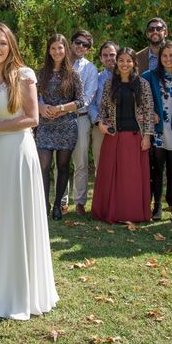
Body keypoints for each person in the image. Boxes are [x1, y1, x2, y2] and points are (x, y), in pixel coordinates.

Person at [0, 23, 58, 320]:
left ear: (11, 46)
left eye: (2, 43)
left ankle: (18, 292)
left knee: (15, 218)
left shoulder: (24, 75)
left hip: (17, 155)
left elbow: (32, 119)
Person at [92, 47, 153, 224]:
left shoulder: (142, 84)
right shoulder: (109, 84)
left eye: (128, 60)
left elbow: (149, 111)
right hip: (114, 136)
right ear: (117, 62)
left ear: (134, 63)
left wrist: (147, 135)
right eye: (121, 60)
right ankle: (112, 211)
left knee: (131, 178)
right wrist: (102, 124)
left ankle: (132, 213)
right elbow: (102, 108)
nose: (125, 64)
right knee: (112, 176)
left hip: (135, 137)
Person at [142, 41, 172, 223]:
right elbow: (140, 99)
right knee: (156, 170)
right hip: (158, 130)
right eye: (165, 55)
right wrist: (151, 112)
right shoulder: (149, 76)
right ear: (159, 58)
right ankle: (156, 208)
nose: (169, 59)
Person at [36, 34, 84, 220]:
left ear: (66, 50)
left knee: (63, 166)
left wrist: (62, 108)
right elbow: (33, 96)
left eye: (60, 48)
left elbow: (80, 101)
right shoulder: (41, 73)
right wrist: (41, 108)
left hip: (66, 125)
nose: (57, 51)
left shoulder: (73, 75)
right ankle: (44, 204)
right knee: (44, 165)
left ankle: (58, 205)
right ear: (49, 51)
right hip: (46, 125)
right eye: (53, 48)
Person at [66, 30, 98, 216]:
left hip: (81, 119)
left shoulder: (90, 69)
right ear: (71, 42)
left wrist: (62, 107)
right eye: (78, 42)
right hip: (58, 120)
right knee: (60, 161)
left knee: (81, 162)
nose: (81, 47)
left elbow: (87, 98)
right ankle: (60, 201)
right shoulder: (59, 64)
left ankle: (79, 202)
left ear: (89, 49)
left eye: (85, 45)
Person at [88, 41, 119, 170]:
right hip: (101, 126)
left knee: (121, 163)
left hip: (124, 126)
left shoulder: (129, 77)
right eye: (105, 55)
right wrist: (99, 121)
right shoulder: (96, 78)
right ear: (100, 58)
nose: (109, 58)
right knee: (101, 164)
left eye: (112, 54)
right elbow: (90, 103)